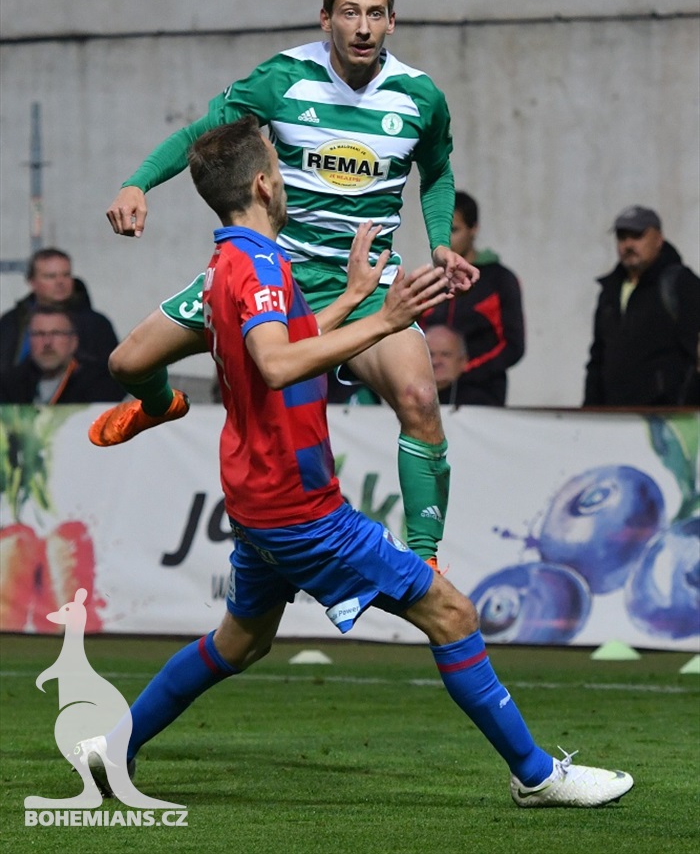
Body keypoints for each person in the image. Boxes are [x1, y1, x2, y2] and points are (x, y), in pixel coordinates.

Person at [78, 119, 633, 809]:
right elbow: (276, 362)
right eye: (280, 165)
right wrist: (384, 315)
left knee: (238, 642)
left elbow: (185, 353)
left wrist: (348, 295)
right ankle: (537, 775)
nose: (286, 176)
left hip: (254, 502)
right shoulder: (263, 265)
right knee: (453, 612)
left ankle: (115, 743)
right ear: (263, 183)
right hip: (301, 510)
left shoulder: (225, 264)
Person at [89, 0, 481, 568]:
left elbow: (436, 175)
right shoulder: (281, 79)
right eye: (349, 13)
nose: (362, 28)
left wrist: (439, 244)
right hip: (271, 274)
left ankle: (426, 559)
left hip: (363, 284)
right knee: (126, 362)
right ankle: (161, 403)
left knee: (421, 400)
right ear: (325, 17)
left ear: (392, 21)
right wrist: (138, 183)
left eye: (375, 14)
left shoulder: (419, 98)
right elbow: (202, 136)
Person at [583, 205, 700, 407]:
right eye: (622, 237)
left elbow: (695, 354)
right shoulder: (610, 291)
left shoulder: (680, 283)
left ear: (658, 239)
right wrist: (589, 413)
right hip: (613, 419)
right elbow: (598, 359)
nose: (628, 244)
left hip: (667, 420)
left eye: (637, 236)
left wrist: (684, 405)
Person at [421, 191, 525, 406]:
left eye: (454, 230)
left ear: (473, 229)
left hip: (481, 396)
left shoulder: (500, 279)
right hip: (428, 395)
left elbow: (513, 346)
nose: (446, 239)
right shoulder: (430, 281)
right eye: (439, 231)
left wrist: (461, 370)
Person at [0, 248, 120, 377]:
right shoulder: (11, 322)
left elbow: (111, 374)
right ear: (32, 281)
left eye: (66, 274)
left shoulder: (97, 325)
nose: (60, 282)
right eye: (50, 276)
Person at [0, 306, 125, 404]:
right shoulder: (8, 385)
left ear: (74, 341)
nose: (47, 342)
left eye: (56, 333)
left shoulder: (101, 385)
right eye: (39, 334)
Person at [425, 324, 469, 407]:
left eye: (445, 355)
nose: (435, 361)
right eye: (430, 354)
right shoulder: (404, 397)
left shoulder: (481, 402)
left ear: (462, 361)